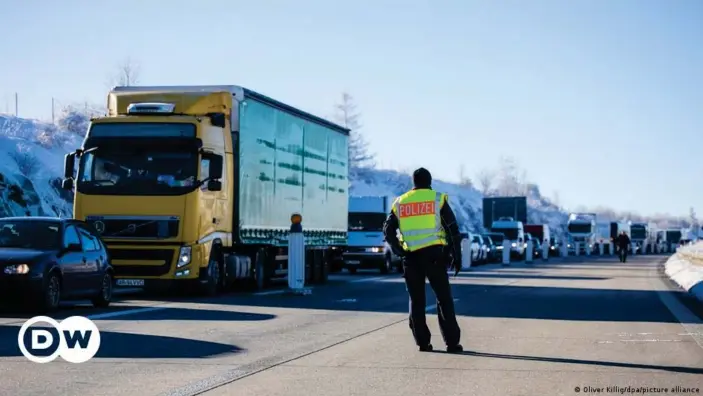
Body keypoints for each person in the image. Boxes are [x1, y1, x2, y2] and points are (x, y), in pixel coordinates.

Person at [383, 167, 463, 353]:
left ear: (414, 182)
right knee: (444, 299)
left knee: (416, 300)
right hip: (435, 256)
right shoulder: (437, 199)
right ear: (430, 181)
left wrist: (399, 250)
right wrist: (456, 255)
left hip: (411, 257)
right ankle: (452, 343)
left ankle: (423, 342)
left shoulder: (400, 202)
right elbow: (452, 229)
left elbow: (387, 230)